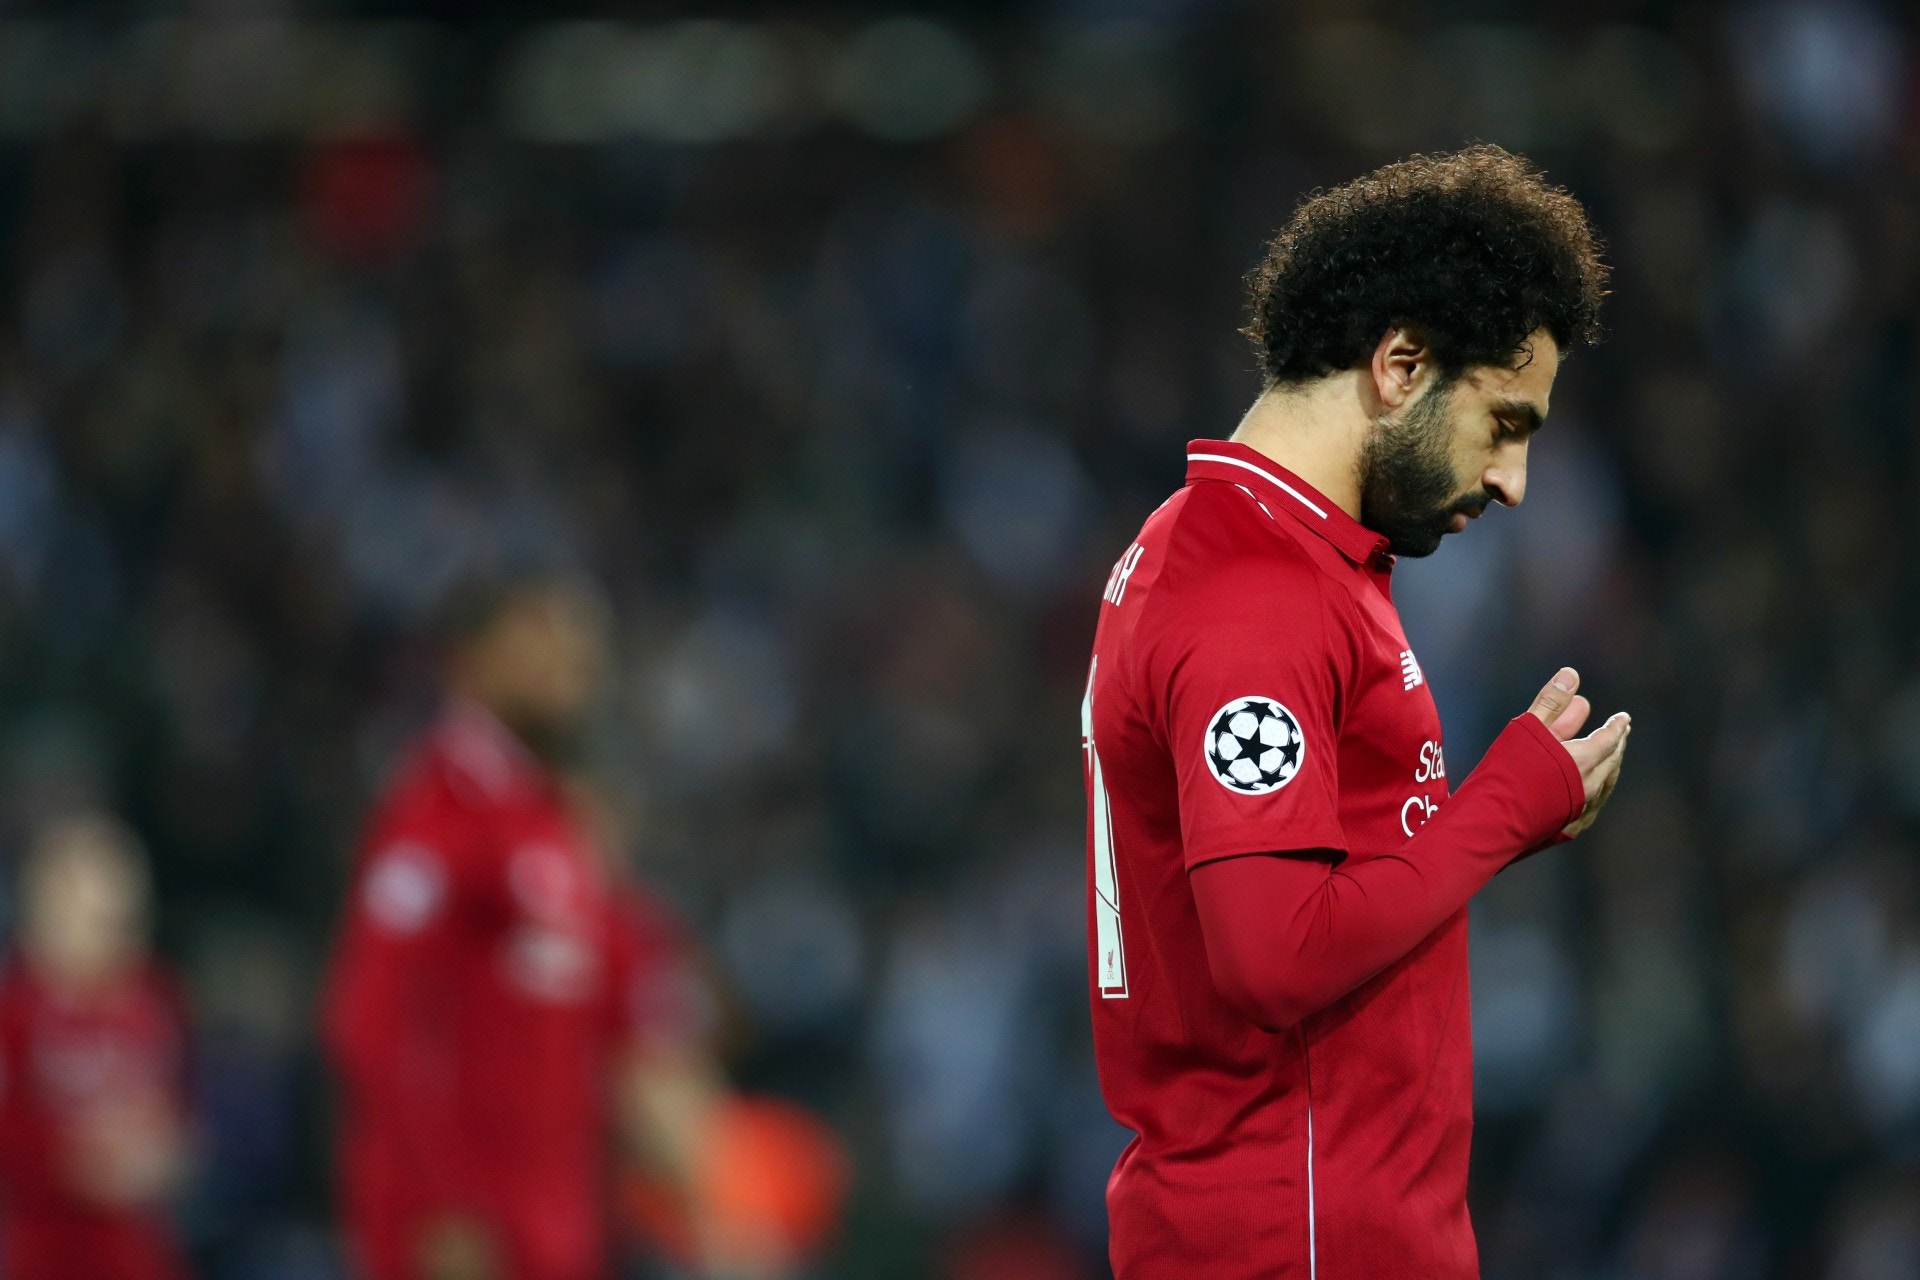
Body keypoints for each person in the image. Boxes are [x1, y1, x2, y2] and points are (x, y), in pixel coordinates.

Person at [1081, 145, 1631, 1279]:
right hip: (1294, 1236)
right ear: (1401, 363)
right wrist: (1500, 809)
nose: (1514, 480)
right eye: (1506, 422)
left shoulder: (1262, 555)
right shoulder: (1254, 591)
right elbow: (1271, 956)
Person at [322, 574, 729, 1280]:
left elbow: (632, 1031)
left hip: (557, 1220)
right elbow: (372, 1019)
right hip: (462, 1228)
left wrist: (708, 1208)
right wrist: (439, 1202)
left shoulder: (550, 825)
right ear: (469, 660)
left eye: (580, 635)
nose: (571, 652)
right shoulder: (438, 807)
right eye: (541, 631)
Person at [0, 813, 192, 1280]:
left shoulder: (156, 999)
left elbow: (181, 1113)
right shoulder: (16, 1013)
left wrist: (164, 1153)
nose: (103, 940)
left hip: (138, 1254)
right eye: (84, 918)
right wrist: (75, 1159)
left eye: (118, 923)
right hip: (44, 1253)